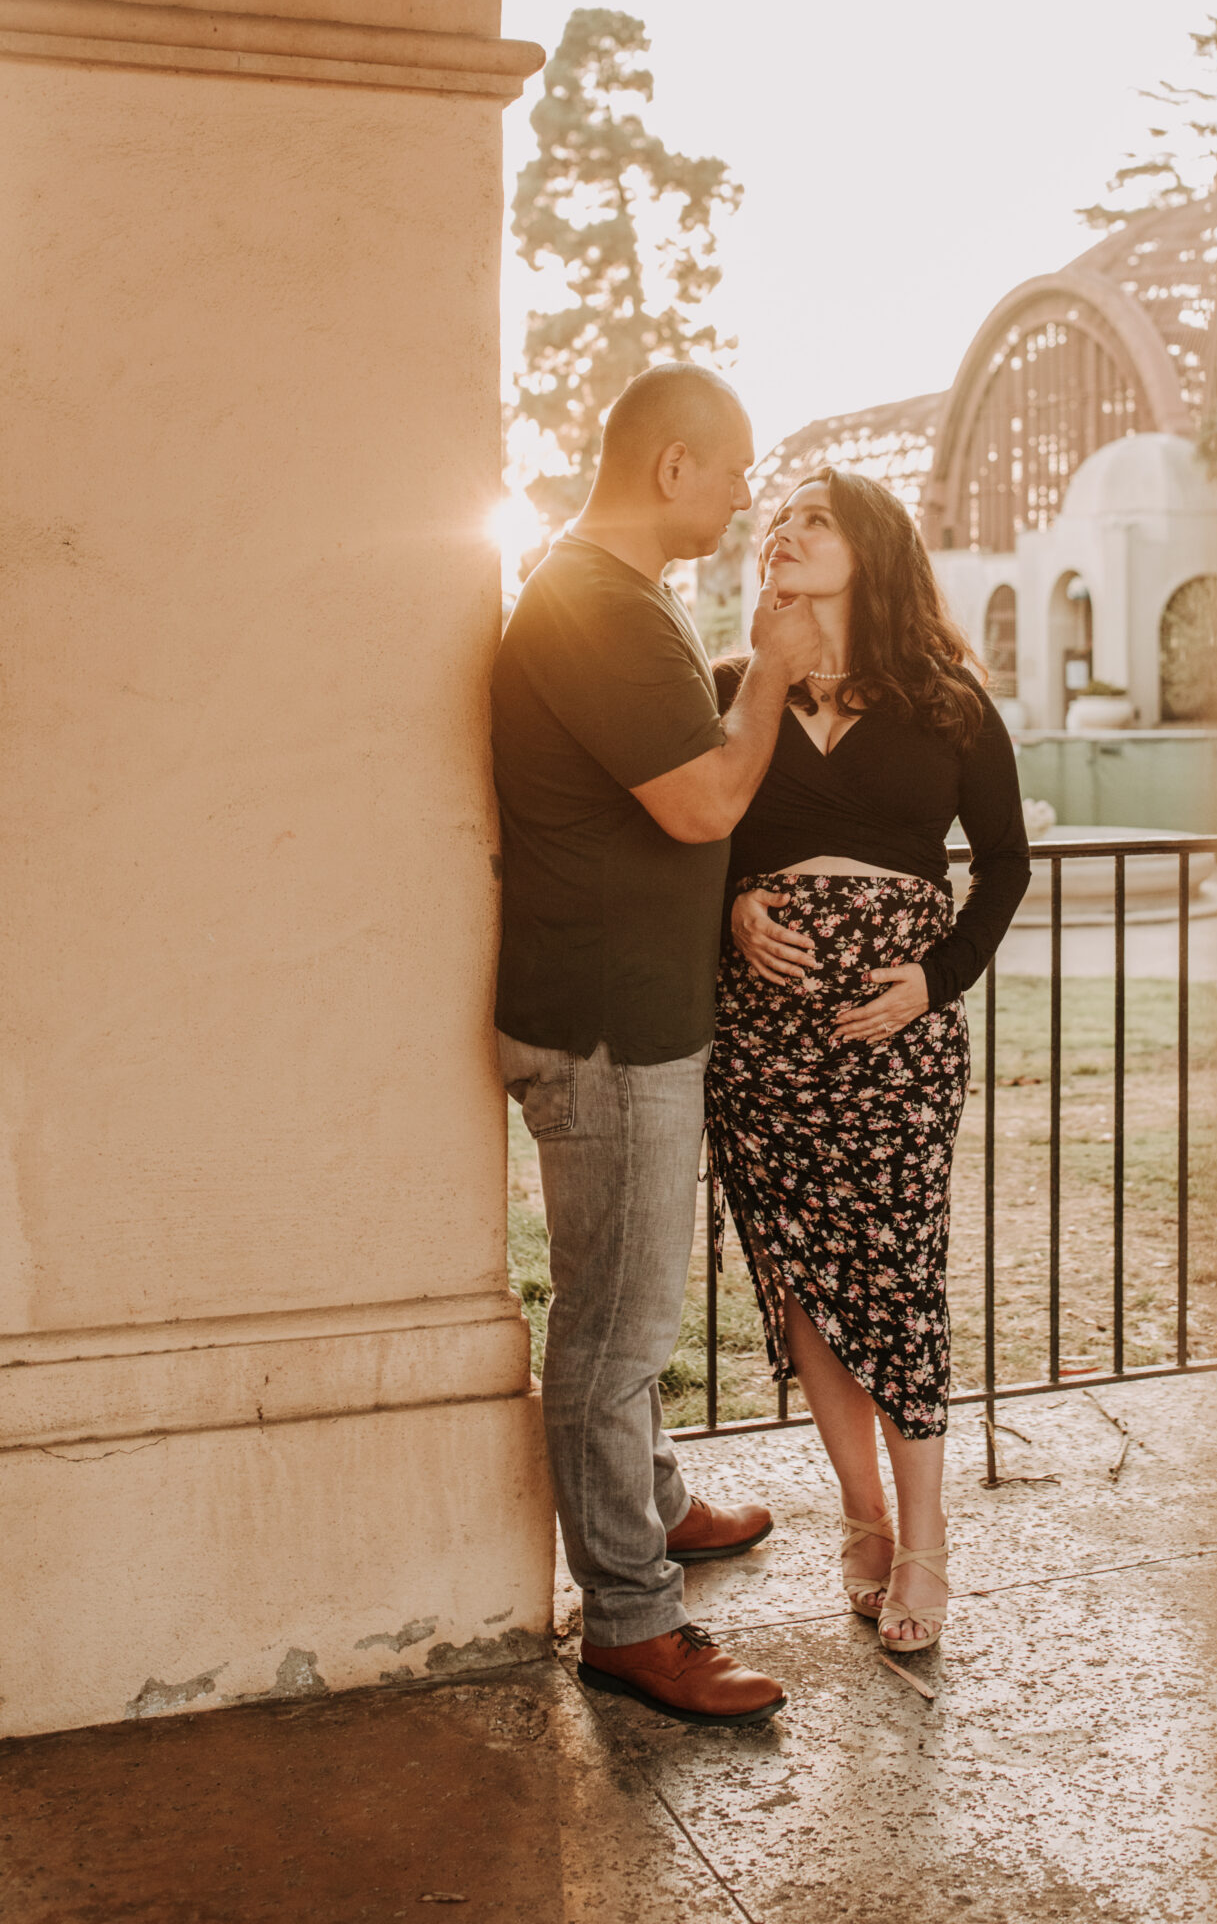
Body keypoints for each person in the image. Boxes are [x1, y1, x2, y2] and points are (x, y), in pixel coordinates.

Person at [490, 363, 823, 1727]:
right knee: (612, 1330)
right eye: (735, 466)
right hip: (606, 1031)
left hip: (627, 1019)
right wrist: (777, 672)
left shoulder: (612, 599)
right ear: (674, 466)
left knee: (629, 1302)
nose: (747, 493)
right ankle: (629, 1620)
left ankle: (660, 1500)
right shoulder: (595, 605)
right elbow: (701, 803)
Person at [706, 469, 1030, 1654]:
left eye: (814, 520)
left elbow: (1004, 861)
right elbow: (692, 833)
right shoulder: (734, 688)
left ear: (874, 550)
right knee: (808, 1284)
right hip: (764, 1045)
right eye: (775, 522)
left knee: (897, 1275)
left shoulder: (946, 699)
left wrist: (936, 981)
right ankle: (862, 1517)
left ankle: (928, 1538)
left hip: (896, 1044)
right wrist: (734, 906)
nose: (781, 533)